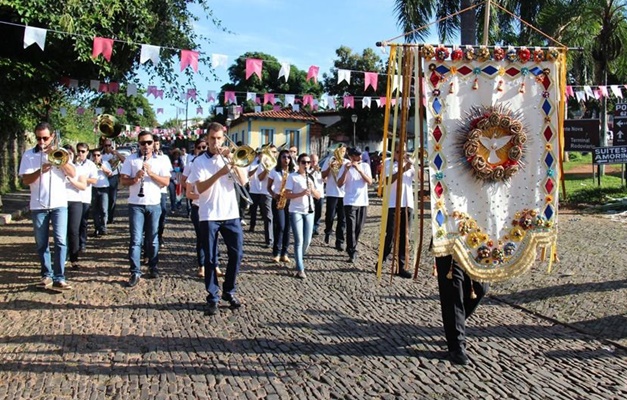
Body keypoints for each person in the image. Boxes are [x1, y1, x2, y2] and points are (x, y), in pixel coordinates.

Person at [187, 122, 246, 315]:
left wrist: (234, 162)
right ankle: (212, 296)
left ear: (224, 138)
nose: (216, 142)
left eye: (219, 138)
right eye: (212, 138)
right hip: (209, 214)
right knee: (211, 258)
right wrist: (219, 173)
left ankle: (229, 291)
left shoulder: (230, 158)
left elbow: (244, 181)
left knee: (236, 254)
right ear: (207, 139)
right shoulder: (199, 161)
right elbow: (200, 188)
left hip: (231, 214)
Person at [19, 122, 76, 290]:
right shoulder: (29, 155)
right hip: (38, 205)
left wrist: (58, 159)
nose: (41, 141)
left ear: (52, 137)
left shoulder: (63, 153)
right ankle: (46, 275)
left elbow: (72, 173)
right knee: (41, 243)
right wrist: (40, 171)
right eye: (38, 138)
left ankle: (60, 276)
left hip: (59, 204)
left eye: (45, 138)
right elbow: (25, 180)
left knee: (60, 241)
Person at [120, 131, 170, 287]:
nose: (146, 146)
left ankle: (153, 266)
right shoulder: (131, 159)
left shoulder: (161, 160)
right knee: (136, 239)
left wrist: (151, 173)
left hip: (154, 203)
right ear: (138, 144)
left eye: (149, 142)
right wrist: (136, 178)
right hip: (136, 204)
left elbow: (166, 182)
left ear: (152, 143)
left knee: (153, 239)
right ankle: (135, 271)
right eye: (142, 143)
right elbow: (123, 180)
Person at [436, 256, 489, 365]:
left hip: (475, 246)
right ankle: (457, 345)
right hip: (449, 246)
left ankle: (454, 323)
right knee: (454, 292)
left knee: (481, 288)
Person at [284, 153, 321, 279]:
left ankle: (299, 256)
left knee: (307, 240)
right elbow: (287, 195)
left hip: (310, 211)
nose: (306, 165)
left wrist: (312, 189)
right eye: (303, 162)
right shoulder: (292, 177)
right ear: (298, 164)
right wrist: (301, 193)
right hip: (296, 211)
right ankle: (300, 268)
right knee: (299, 240)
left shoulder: (311, 177)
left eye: (308, 162)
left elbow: (318, 196)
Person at [382, 147, 415, 278]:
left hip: (407, 204)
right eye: (399, 151)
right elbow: (388, 180)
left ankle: (401, 266)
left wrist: (414, 166)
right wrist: (403, 169)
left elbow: (418, 179)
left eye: (404, 151)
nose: (402, 154)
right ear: (394, 152)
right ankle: (383, 257)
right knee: (390, 233)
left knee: (405, 236)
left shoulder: (409, 163)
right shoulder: (389, 163)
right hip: (393, 203)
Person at [337, 147, 372, 263]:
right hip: (350, 201)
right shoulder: (344, 166)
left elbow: (370, 181)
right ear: (351, 157)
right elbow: (339, 183)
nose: (360, 157)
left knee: (359, 227)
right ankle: (352, 251)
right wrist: (346, 171)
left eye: (360, 155)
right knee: (351, 227)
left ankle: (352, 246)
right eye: (357, 155)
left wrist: (360, 170)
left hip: (362, 201)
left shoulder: (365, 166)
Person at [63, 145, 89, 270]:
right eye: (65, 154)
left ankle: (74, 258)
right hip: (61, 201)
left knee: (73, 231)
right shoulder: (57, 169)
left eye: (70, 153)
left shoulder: (79, 169)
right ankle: (62, 256)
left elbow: (83, 186)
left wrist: (71, 180)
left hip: (75, 201)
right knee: (61, 232)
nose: (68, 156)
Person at [268, 149, 295, 263]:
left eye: (288, 157)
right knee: (280, 226)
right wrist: (274, 195)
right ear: (280, 158)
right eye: (284, 157)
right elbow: (268, 187)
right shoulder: (274, 171)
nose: (286, 159)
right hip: (278, 200)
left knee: (288, 227)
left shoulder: (294, 171)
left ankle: (285, 252)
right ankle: (276, 252)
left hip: (290, 201)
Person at [249, 145, 276, 249]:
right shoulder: (264, 164)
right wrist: (266, 171)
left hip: (278, 192)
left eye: (274, 152)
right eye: (271, 152)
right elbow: (260, 178)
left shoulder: (279, 163)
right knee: (268, 217)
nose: (273, 154)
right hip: (266, 193)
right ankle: (269, 240)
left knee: (277, 218)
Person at [321, 144, 348, 251]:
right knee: (330, 216)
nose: (342, 153)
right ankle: (328, 231)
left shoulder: (346, 162)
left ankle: (339, 241)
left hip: (344, 194)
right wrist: (330, 167)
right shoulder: (330, 159)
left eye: (344, 151)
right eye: (340, 151)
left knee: (342, 219)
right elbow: (323, 175)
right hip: (332, 193)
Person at [153, 137, 173, 247]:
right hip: (152, 189)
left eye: (157, 143)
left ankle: (159, 234)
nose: (155, 146)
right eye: (154, 143)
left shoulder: (165, 158)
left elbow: (169, 171)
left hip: (162, 190)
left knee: (163, 212)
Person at [101, 139, 125, 224]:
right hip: (103, 178)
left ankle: (110, 217)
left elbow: (124, 161)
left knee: (112, 199)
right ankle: (104, 217)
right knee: (104, 199)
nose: (107, 147)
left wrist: (117, 153)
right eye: (106, 145)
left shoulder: (115, 154)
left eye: (109, 145)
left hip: (113, 178)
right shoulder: (100, 155)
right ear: (103, 146)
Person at [91, 148, 112, 237]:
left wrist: (102, 166)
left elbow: (110, 174)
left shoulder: (106, 163)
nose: (96, 157)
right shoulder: (90, 164)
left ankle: (103, 227)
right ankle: (97, 228)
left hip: (104, 188)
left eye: (98, 155)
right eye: (94, 155)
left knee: (104, 209)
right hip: (93, 188)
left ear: (101, 156)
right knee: (95, 210)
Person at [309, 153, 324, 236]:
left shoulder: (321, 170)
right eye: (312, 161)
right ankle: (311, 228)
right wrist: (314, 170)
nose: (314, 163)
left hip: (320, 194)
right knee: (311, 212)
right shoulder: (307, 170)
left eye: (315, 161)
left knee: (318, 213)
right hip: (311, 195)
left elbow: (325, 180)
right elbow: (307, 177)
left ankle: (315, 227)